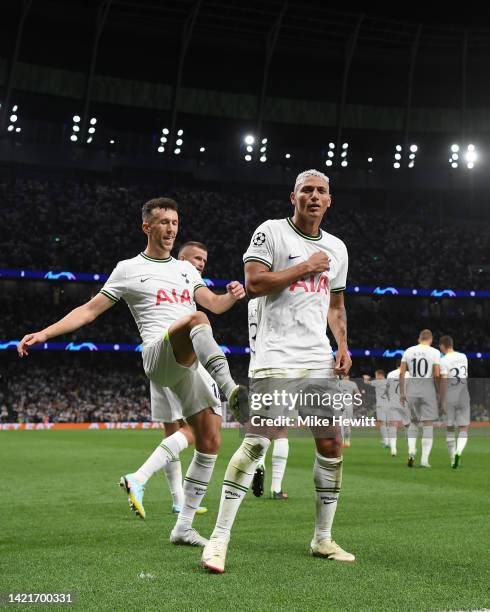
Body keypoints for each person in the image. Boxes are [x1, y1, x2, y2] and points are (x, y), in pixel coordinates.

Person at [17, 197, 247, 547]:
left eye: (174, 222)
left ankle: (183, 527)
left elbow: (213, 304)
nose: (171, 228)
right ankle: (231, 388)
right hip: (158, 353)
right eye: (163, 222)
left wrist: (231, 296)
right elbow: (89, 310)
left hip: (189, 361)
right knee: (196, 320)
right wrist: (45, 333)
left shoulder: (187, 270)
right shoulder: (127, 268)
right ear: (147, 227)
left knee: (210, 439)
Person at [201, 169, 355, 573]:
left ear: (330, 200)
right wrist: (305, 266)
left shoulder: (337, 248)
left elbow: (336, 305)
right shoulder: (271, 232)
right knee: (256, 444)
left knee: (331, 445)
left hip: (318, 358)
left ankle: (323, 539)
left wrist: (341, 345)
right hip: (276, 357)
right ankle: (218, 540)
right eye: (307, 190)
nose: (315, 197)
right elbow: (254, 283)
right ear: (294, 197)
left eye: (322, 191)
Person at [123, 240, 245, 517]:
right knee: (196, 430)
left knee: (174, 433)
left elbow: (214, 303)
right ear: (181, 258)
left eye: (204, 260)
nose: (201, 264)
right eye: (196, 258)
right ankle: (140, 477)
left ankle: (177, 500)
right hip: (178, 358)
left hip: (164, 360)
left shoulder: (189, 281)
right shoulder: (170, 273)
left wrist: (232, 296)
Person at [248, 298, 289, 499]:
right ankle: (276, 488)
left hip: (255, 370)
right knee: (281, 429)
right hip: (279, 367)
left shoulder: (251, 304)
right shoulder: (276, 299)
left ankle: (259, 461)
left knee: (262, 426)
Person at [399, 329, 441, 468]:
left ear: (419, 339)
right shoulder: (435, 352)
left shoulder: (408, 351)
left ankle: (411, 450)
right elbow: (436, 374)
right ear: (431, 339)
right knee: (428, 425)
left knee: (413, 423)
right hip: (428, 391)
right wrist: (438, 392)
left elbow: (402, 373)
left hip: (411, 391)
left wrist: (402, 393)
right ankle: (424, 460)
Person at [439, 335, 470, 469]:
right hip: (463, 393)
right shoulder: (463, 356)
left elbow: (444, 381)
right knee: (463, 428)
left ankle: (452, 460)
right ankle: (459, 451)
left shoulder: (443, 360)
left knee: (450, 428)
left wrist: (442, 400)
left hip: (451, 396)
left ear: (442, 346)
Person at [386, 360, 411, 457]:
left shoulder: (390, 374)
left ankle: (393, 449)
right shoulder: (409, 374)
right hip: (405, 402)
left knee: (393, 425)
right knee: (408, 425)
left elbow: (387, 389)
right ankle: (410, 447)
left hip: (393, 401)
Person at [368, 370, 390, 448]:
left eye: (376, 375)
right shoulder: (389, 382)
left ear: (380, 375)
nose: (376, 377)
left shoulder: (377, 382)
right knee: (388, 424)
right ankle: (389, 441)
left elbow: (368, 382)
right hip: (389, 405)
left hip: (381, 406)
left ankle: (386, 441)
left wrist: (366, 378)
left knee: (382, 423)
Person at [338, 374, 361, 448]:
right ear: (348, 376)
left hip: (340, 403)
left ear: (342, 376)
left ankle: (341, 441)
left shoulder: (338, 383)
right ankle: (347, 441)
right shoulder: (353, 383)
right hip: (349, 404)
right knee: (347, 423)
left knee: (341, 423)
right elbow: (358, 394)